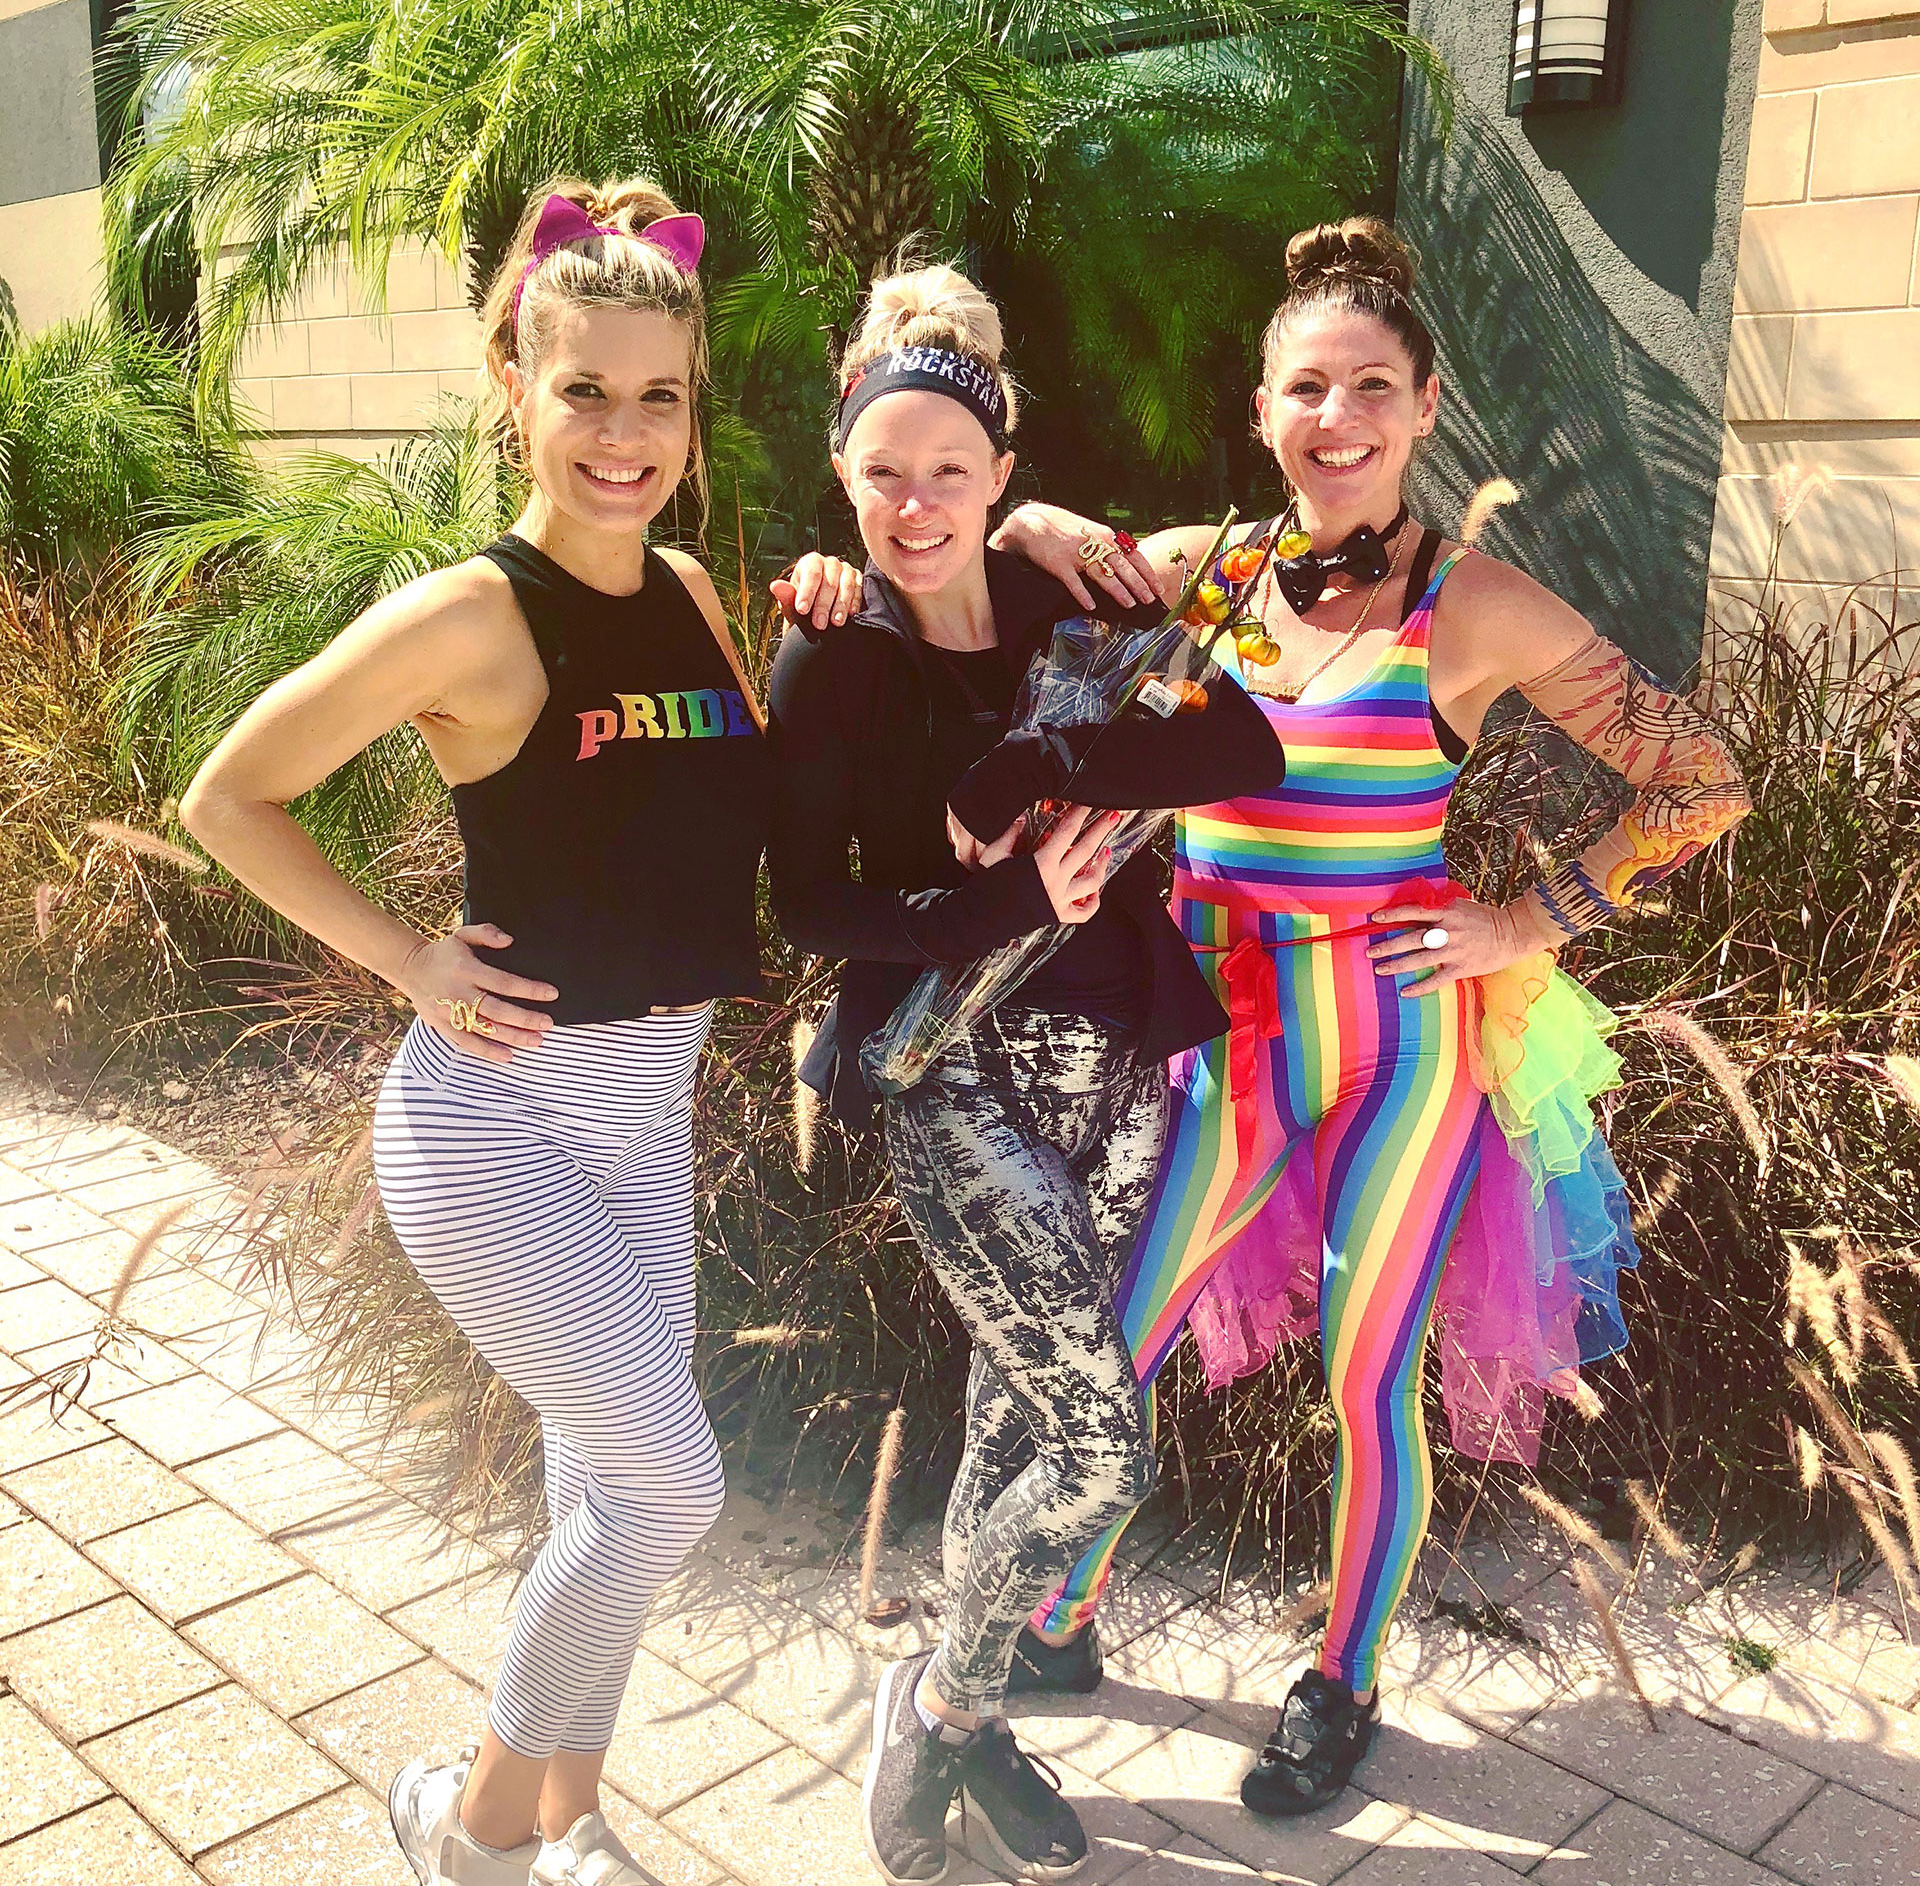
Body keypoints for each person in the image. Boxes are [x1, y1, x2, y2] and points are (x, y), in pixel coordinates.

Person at [980, 217, 1752, 1814]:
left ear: (1424, 406)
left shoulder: (1478, 609)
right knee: (1120, 1334)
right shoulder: (1206, 575)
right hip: (1225, 1040)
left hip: (1401, 1043)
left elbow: (1705, 779)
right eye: (1308, 389)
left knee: (1363, 1369)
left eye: (1372, 389)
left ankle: (1341, 1678)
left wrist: (1533, 915)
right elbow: (1007, 569)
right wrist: (1034, 511)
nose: (1338, 419)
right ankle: (1053, 1618)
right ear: (1262, 407)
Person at [179, 178, 857, 1886]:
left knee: (602, 1496)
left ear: (694, 408)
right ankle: (470, 1825)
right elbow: (227, 796)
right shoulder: (471, 617)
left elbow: (762, 810)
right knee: (670, 1492)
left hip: (639, 1122)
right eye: (584, 392)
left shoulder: (698, 592)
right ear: (516, 390)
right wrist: (406, 953)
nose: (623, 434)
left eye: (659, 396)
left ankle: (568, 1820)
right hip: (492, 1132)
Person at [767, 264, 1284, 1884]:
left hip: (1118, 1051)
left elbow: (1239, 747)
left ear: (1000, 475)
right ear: (843, 474)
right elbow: (810, 905)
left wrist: (1053, 754)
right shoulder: (836, 656)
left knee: (1017, 1412)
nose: (912, 505)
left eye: (947, 472)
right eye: (879, 474)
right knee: (1099, 1448)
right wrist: (1003, 897)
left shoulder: (1079, 605)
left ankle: (964, 1726)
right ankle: (940, 1701)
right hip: (952, 1069)